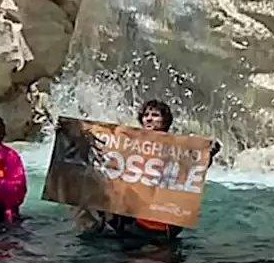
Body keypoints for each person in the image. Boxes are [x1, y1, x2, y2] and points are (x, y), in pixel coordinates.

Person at [88, 99, 220, 244]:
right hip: (130, 217)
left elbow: (192, 172)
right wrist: (67, 131)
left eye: (155, 115)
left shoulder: (178, 147)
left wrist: (208, 154)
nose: (149, 118)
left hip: (160, 221)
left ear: (165, 121)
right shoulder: (128, 143)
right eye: (146, 115)